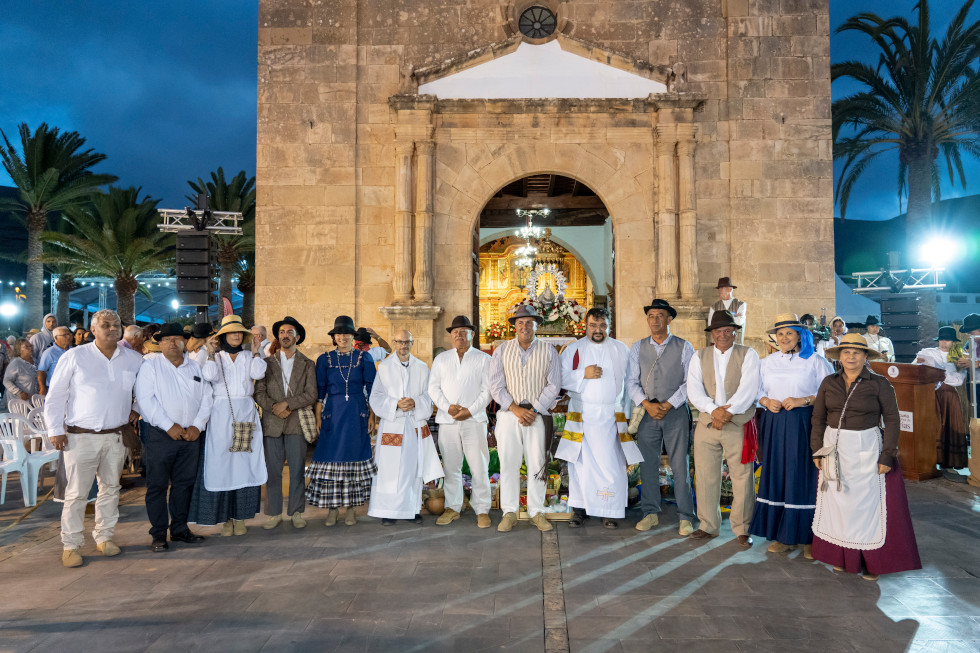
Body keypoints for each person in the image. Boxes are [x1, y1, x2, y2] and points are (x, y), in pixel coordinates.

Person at [811, 333, 921, 580]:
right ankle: (842, 557)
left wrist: (887, 456)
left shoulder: (879, 383)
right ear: (839, 356)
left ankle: (869, 561)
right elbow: (817, 417)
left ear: (865, 357)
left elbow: (892, 420)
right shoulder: (829, 382)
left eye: (856, 352)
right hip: (832, 447)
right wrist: (816, 449)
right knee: (837, 503)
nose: (850, 356)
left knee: (864, 506)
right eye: (846, 352)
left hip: (866, 447)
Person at [43, 309, 142, 568]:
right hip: (80, 437)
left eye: (116, 324)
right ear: (93, 330)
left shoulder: (133, 359)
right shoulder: (75, 356)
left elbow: (145, 390)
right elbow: (55, 396)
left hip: (116, 436)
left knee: (111, 489)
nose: (112, 329)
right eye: (105, 325)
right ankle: (71, 545)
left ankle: (105, 537)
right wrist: (55, 430)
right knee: (76, 494)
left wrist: (137, 408)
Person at [750, 314, 832, 556]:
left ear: (799, 335)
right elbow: (756, 390)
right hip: (774, 421)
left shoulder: (815, 361)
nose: (784, 337)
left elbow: (828, 392)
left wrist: (803, 400)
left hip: (803, 421)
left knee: (800, 474)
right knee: (777, 472)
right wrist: (765, 400)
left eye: (789, 332)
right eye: (780, 333)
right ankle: (784, 536)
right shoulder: (767, 362)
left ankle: (808, 537)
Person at [558, 307, 641, 529]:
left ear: (609, 326)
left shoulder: (621, 349)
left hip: (611, 415)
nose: (598, 330)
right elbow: (561, 377)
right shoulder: (573, 349)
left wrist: (629, 415)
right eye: (593, 325)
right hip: (582, 414)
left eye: (602, 325)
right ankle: (579, 510)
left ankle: (610, 510)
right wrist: (582, 374)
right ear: (585, 325)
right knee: (580, 464)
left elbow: (630, 382)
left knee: (611, 463)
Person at [134, 323, 212, 552]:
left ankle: (179, 529)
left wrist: (198, 426)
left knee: (184, 484)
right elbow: (146, 400)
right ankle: (158, 534)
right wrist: (169, 426)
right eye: (167, 339)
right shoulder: (151, 366)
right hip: (160, 435)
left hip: (191, 436)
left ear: (184, 342)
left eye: (177, 339)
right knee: (157, 485)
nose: (172, 343)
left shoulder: (196, 368)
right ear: (159, 343)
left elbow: (208, 398)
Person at [189, 315, 268, 536]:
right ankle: (225, 519)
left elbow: (258, 373)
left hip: (245, 411)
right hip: (220, 413)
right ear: (222, 335)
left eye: (239, 332)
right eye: (231, 332)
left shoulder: (248, 355)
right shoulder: (216, 356)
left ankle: (240, 517)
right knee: (222, 462)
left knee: (244, 461)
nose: (235, 335)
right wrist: (211, 353)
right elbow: (209, 376)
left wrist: (255, 350)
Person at [687, 310, 760, 547]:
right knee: (706, 475)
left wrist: (728, 412)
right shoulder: (699, 356)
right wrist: (714, 410)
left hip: (737, 422)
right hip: (708, 422)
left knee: (742, 476)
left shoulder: (748, 354)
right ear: (712, 334)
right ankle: (708, 525)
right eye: (718, 331)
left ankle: (742, 528)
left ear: (735, 332)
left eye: (728, 330)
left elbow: (749, 388)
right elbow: (693, 389)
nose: (723, 335)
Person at [489, 304, 561, 533]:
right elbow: (496, 385)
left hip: (537, 416)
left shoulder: (549, 351)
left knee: (537, 464)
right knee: (508, 463)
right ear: (514, 326)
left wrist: (535, 410)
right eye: (520, 323)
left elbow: (554, 385)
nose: (525, 326)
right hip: (510, 415)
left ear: (536, 325)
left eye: (529, 323)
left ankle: (536, 511)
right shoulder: (502, 350)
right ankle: (509, 512)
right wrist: (515, 409)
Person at [626, 299, 696, 535]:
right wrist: (646, 403)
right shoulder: (638, 347)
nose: (654, 319)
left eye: (659, 315)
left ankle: (686, 516)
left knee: (680, 465)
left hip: (675, 413)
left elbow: (690, 382)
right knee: (647, 464)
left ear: (669, 319)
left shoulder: (684, 346)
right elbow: (631, 382)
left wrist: (668, 404)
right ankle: (650, 512)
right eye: (651, 316)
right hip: (647, 413)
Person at [308, 315, 377, 526]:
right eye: (339, 334)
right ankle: (332, 509)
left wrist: (373, 416)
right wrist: (319, 416)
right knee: (331, 458)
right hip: (333, 413)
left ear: (352, 336)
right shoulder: (324, 360)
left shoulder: (364, 358)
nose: (343, 337)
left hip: (357, 412)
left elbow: (373, 389)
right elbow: (320, 391)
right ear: (334, 337)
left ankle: (352, 509)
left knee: (354, 458)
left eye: (346, 333)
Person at [368, 330, 442, 524]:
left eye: (407, 342)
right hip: (393, 423)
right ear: (394, 342)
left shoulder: (422, 367)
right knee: (389, 469)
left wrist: (416, 402)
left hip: (413, 425)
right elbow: (375, 396)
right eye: (400, 342)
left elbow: (429, 395)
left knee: (412, 467)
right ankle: (388, 511)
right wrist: (395, 404)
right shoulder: (384, 367)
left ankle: (412, 509)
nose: (403, 346)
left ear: (412, 342)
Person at [428, 315, 493, 528]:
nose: (459, 335)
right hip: (447, 420)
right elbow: (433, 388)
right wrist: (447, 407)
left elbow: (488, 390)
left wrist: (470, 410)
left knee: (479, 466)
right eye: (455, 332)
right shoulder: (442, 359)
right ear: (451, 336)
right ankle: (452, 507)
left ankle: (482, 509)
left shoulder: (483, 359)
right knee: (451, 467)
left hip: (474, 420)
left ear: (472, 334)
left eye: (463, 331)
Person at [254, 316, 317, 530]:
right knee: (273, 471)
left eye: (290, 332)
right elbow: (258, 392)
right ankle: (273, 513)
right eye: (281, 332)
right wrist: (275, 407)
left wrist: (287, 405)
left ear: (297, 337)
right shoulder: (265, 364)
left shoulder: (307, 364)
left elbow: (311, 394)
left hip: (296, 424)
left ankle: (297, 512)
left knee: (298, 469)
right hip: (272, 423)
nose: (285, 335)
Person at [915, 326, 968, 481]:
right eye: (942, 340)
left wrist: (939, 375)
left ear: (953, 342)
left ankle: (949, 464)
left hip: (949, 396)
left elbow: (958, 380)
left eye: (948, 340)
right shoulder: (927, 353)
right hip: (930, 394)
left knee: (950, 427)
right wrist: (921, 366)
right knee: (933, 426)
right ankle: (931, 462)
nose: (944, 343)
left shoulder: (959, 357)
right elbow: (915, 369)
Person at [3, 337, 39, 412]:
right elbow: (6, 381)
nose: (30, 348)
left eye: (31, 346)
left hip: (33, 401)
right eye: (26, 347)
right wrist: (19, 392)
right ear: (19, 349)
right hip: (19, 403)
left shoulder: (35, 361)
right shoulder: (16, 363)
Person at [707, 277, 746, 344]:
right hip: (718, 344)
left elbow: (739, 321)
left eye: (722, 288)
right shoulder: (714, 307)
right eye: (719, 289)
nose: (719, 291)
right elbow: (711, 324)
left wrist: (719, 319)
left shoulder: (741, 304)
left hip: (736, 343)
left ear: (730, 289)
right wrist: (733, 316)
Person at [37, 327, 72, 395]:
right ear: (56, 338)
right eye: (65, 335)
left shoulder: (74, 350)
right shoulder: (49, 353)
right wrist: (42, 387)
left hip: (72, 388)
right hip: (55, 389)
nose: (68, 337)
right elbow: (41, 371)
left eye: (69, 334)